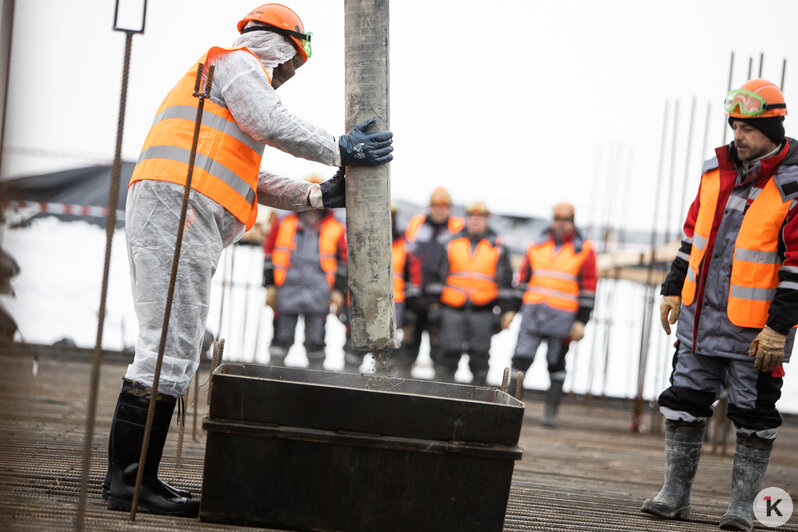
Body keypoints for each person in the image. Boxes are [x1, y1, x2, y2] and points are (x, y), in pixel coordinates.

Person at [107, 4, 393, 516]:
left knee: (178, 342)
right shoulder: (238, 64)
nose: (284, 77)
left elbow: (251, 182)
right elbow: (271, 120)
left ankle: (136, 479)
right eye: (289, 65)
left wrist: (314, 197)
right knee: (170, 345)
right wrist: (340, 149)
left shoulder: (227, 101)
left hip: (181, 207)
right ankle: (130, 483)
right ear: (278, 44)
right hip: (179, 206)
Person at [642, 78, 796, 531]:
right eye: (734, 125)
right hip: (698, 322)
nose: (737, 134)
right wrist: (673, 288)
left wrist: (778, 327)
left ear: (772, 127)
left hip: (755, 334)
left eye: (747, 127)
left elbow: (797, 266)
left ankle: (743, 508)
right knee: (683, 402)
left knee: (753, 417)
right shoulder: (716, 171)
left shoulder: (793, 185)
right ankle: (674, 496)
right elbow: (693, 238)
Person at [509, 202, 597, 427]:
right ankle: (509, 408)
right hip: (533, 314)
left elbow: (588, 289)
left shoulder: (584, 250)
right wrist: (512, 309)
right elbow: (523, 280)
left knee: (556, 365)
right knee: (520, 360)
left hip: (563, 318)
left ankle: (550, 413)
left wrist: (581, 321)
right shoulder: (536, 245)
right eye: (557, 219)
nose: (561, 223)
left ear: (572, 221)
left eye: (565, 219)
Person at [262, 176, 347, 369]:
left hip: (319, 294)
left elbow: (343, 262)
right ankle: (271, 382)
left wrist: (338, 291)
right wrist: (269, 286)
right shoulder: (283, 221)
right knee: (280, 342)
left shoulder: (336, 226)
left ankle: (315, 386)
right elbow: (269, 254)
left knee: (315, 343)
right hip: (286, 291)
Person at [430, 201, 515, 385]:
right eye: (472, 217)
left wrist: (507, 311)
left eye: (480, 217)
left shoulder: (498, 248)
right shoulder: (450, 244)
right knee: (447, 356)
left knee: (480, 359)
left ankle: (478, 401)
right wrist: (434, 306)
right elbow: (437, 277)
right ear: (466, 219)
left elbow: (506, 283)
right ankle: (442, 396)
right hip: (452, 310)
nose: (476, 221)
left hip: (483, 311)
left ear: (487, 220)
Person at [342, 202, 422, 374]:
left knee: (385, 359)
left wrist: (411, 310)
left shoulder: (405, 247)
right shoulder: (359, 242)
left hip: (392, 309)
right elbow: (349, 275)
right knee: (353, 352)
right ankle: (346, 388)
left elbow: (412, 280)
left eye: (389, 215)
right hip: (362, 306)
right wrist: (345, 304)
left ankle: (382, 394)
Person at [396, 187, 464, 377]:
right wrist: (410, 293)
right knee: (407, 347)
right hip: (414, 298)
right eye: (435, 206)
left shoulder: (457, 229)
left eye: (443, 207)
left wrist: (441, 299)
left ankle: (440, 394)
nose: (439, 210)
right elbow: (406, 259)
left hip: (442, 302)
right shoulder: (417, 224)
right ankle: (402, 390)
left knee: (440, 350)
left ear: (449, 208)